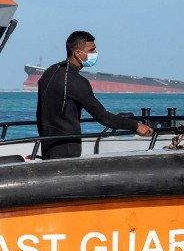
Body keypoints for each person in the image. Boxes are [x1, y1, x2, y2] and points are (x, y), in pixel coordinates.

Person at [36, 31, 153, 159]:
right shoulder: (77, 81)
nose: (95, 54)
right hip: (68, 150)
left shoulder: (49, 72)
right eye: (91, 50)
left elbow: (40, 113)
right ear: (77, 53)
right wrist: (136, 126)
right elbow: (104, 117)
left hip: (47, 146)